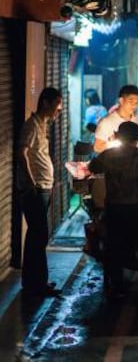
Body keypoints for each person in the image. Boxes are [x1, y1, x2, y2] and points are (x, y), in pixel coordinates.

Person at [89, 121, 138, 299]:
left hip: (116, 208)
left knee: (115, 248)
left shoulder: (108, 155)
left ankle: (117, 287)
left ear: (118, 136)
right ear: (137, 138)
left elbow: (92, 167)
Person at [16, 87, 63, 297]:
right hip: (35, 189)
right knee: (39, 235)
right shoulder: (32, 126)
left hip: (43, 186)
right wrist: (32, 181)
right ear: (45, 103)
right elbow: (22, 152)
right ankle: (37, 284)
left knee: (37, 235)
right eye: (56, 106)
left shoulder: (42, 125)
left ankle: (33, 282)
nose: (57, 111)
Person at [94, 85, 138, 153]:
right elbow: (97, 147)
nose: (134, 105)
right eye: (131, 101)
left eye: (136, 103)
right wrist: (114, 144)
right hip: (112, 162)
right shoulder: (107, 122)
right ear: (121, 100)